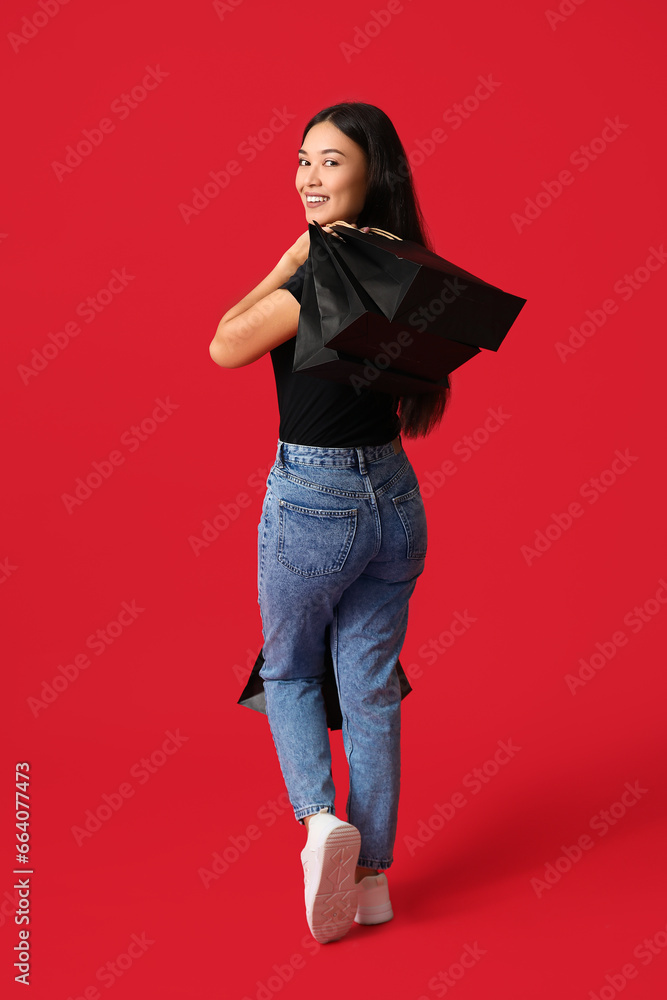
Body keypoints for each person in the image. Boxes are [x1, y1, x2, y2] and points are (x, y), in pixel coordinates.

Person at [209, 101, 451, 943]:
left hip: (315, 499)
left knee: (289, 671)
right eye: (303, 160)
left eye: (330, 163)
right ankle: (374, 879)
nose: (309, 177)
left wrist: (286, 260)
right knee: (372, 686)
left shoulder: (317, 277)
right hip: (396, 500)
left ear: (369, 175)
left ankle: (319, 828)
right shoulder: (412, 271)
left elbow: (224, 344)